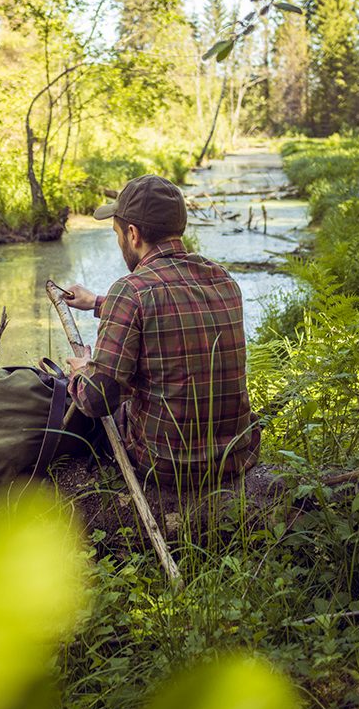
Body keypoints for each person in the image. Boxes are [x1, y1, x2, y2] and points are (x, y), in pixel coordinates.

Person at [65, 174, 260, 486]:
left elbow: (98, 398)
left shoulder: (130, 291)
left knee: (97, 407)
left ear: (133, 234)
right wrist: (97, 303)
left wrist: (81, 372)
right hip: (234, 456)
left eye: (117, 234)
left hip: (164, 464)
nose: (119, 243)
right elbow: (171, 311)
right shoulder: (222, 279)